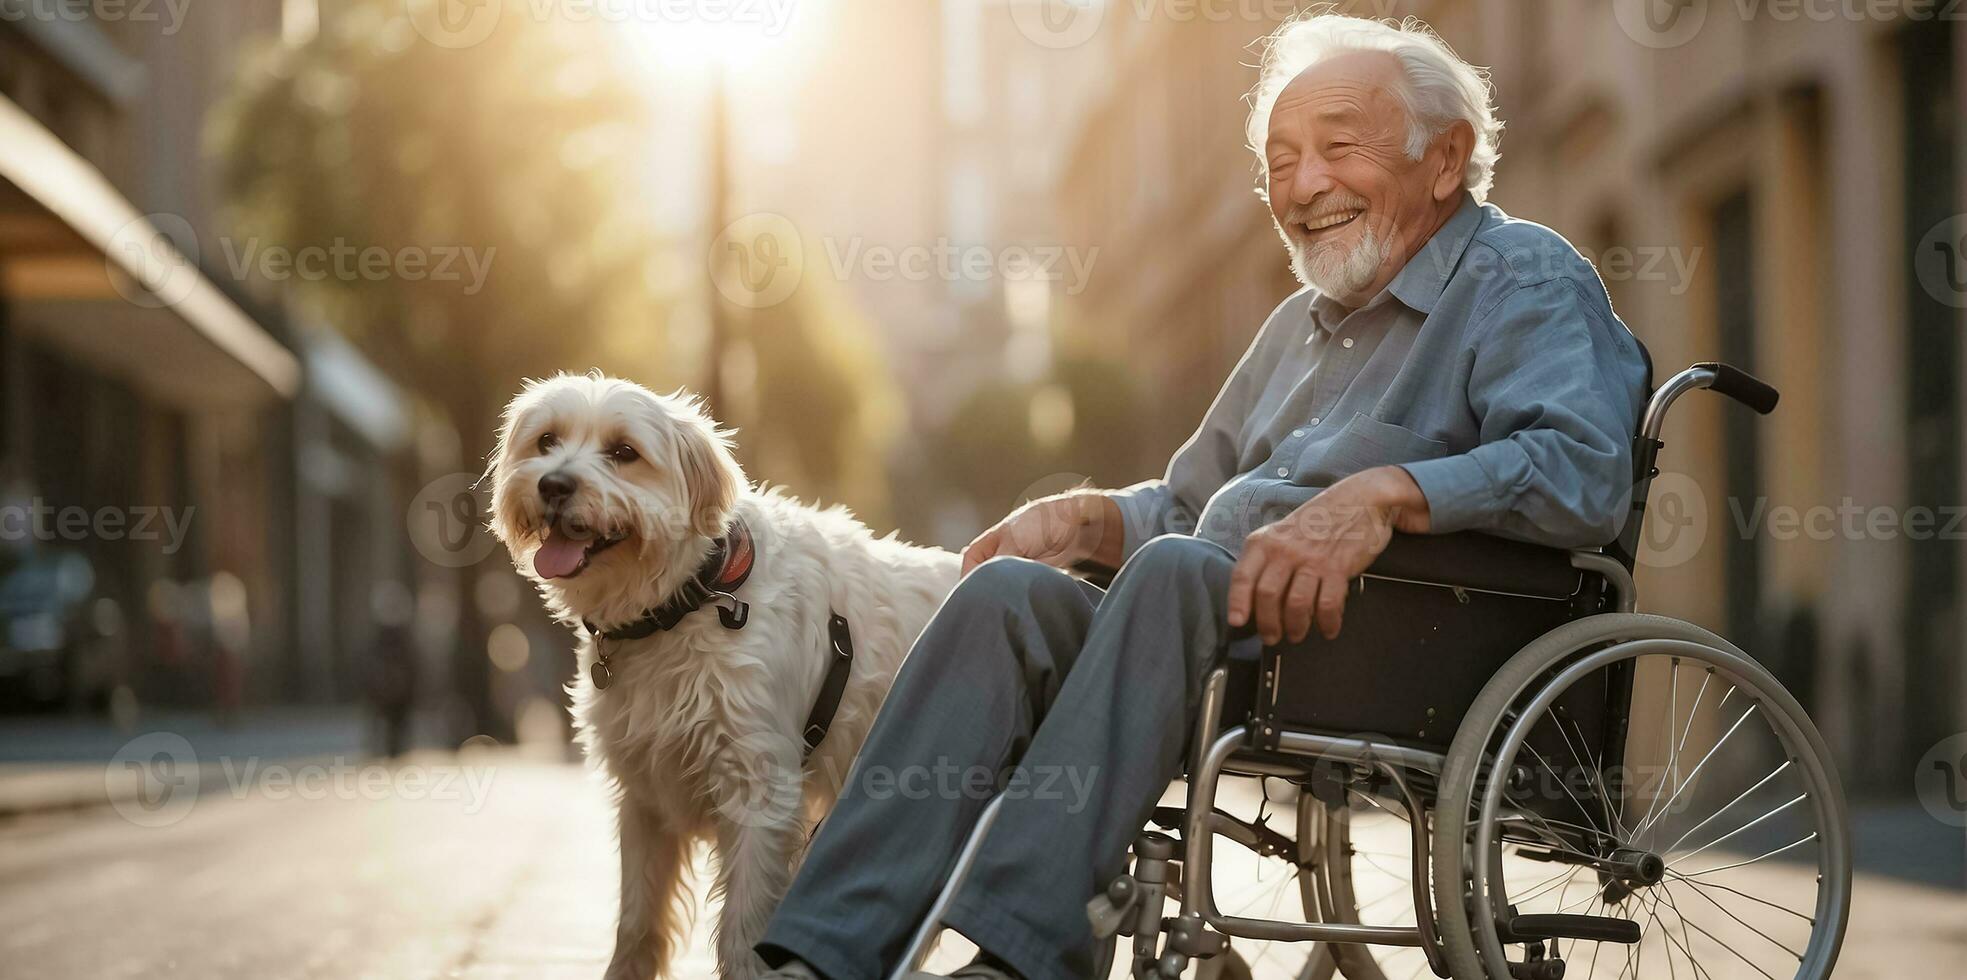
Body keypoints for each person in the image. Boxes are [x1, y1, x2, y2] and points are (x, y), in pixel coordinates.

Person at [757, 11, 1650, 980]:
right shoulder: (1297, 324)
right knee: (1005, 597)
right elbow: (1187, 506)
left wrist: (1385, 494)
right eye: (1280, 159)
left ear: (1444, 160)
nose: (1301, 186)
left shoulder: (1522, 280)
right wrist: (1091, 516)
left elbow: (1582, 471)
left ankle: (1021, 957)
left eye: (1336, 149)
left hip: (1400, 637)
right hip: (1212, 623)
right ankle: (819, 955)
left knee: (1179, 572)